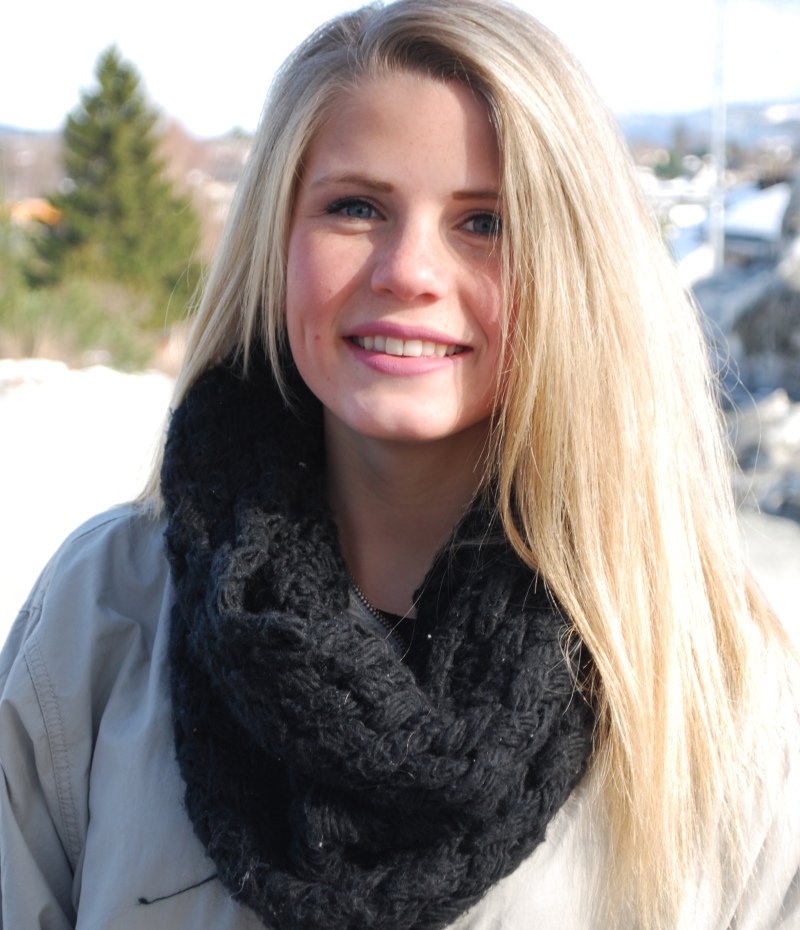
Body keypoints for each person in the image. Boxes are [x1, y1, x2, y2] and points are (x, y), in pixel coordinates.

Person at [1, 1, 798, 927]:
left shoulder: (709, 685)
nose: (408, 270)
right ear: (275, 240)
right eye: (356, 207)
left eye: (486, 222)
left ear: (577, 272)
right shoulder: (106, 612)